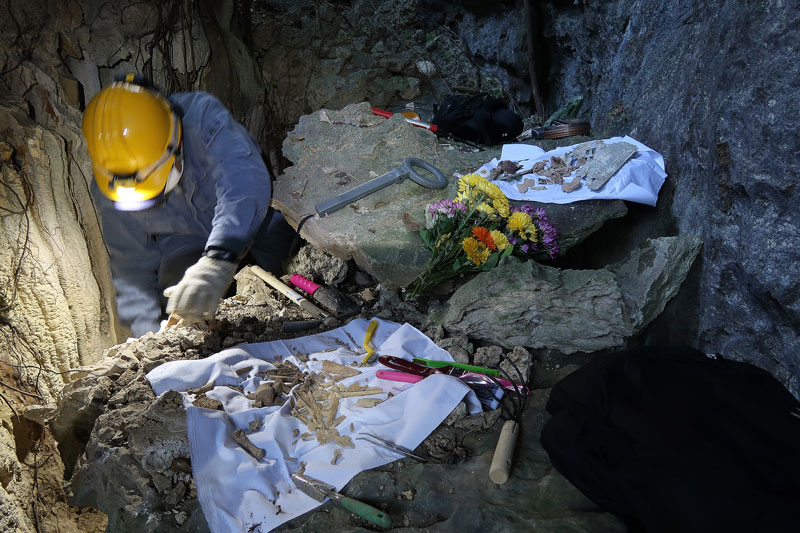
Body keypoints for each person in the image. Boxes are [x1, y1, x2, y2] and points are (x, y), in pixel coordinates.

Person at [82, 74, 295, 337]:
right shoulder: (113, 184)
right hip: (184, 242)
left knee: (292, 268)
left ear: (174, 143)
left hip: (251, 220)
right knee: (178, 298)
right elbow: (131, 265)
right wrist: (146, 337)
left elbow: (243, 182)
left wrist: (219, 258)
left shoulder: (202, 118)